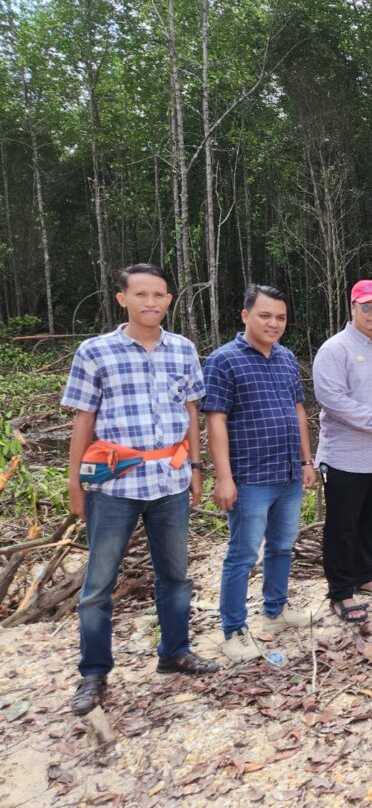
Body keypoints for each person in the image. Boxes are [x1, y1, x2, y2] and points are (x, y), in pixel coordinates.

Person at [63, 263, 219, 716]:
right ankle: (94, 672)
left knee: (176, 576)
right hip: (114, 486)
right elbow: (83, 420)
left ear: (169, 300)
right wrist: (76, 483)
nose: (151, 303)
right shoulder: (96, 352)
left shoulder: (183, 350)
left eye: (159, 295)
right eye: (141, 294)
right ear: (122, 299)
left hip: (169, 481)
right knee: (98, 584)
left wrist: (194, 466)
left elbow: (191, 410)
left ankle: (175, 652)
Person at [203, 284, 317, 662]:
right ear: (245, 315)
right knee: (242, 554)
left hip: (287, 473)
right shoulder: (224, 360)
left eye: (280, 317)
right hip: (250, 476)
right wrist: (223, 477)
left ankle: (276, 610)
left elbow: (298, 411)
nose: (273, 323)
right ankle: (233, 630)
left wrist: (306, 460)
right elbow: (216, 420)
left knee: (283, 546)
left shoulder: (286, 358)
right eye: (265, 315)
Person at [312, 280, 372, 623]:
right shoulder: (334, 349)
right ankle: (341, 591)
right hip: (346, 457)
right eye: (367, 306)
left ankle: (365, 574)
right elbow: (333, 401)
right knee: (343, 525)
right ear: (353, 307)